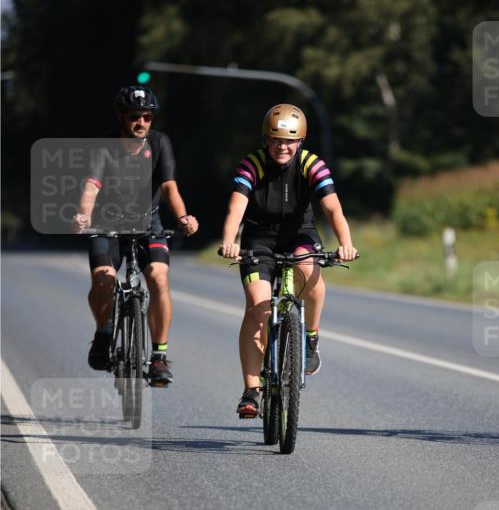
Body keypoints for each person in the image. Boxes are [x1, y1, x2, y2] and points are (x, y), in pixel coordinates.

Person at [219, 103, 357, 417]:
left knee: (308, 268)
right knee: (258, 307)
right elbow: (236, 207)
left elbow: (333, 209)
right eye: (276, 140)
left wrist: (346, 243)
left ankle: (310, 338)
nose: (282, 146)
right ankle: (251, 390)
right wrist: (230, 240)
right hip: (259, 239)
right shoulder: (251, 164)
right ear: (266, 140)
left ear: (300, 142)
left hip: (300, 234)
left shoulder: (312, 164)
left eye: (290, 141)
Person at [73, 85, 198, 386]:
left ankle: (158, 355)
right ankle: (104, 333)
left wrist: (183, 217)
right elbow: (91, 186)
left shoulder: (159, 143)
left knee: (158, 276)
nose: (141, 122)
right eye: (134, 117)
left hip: (148, 224)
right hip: (107, 224)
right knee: (104, 279)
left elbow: (169, 187)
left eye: (147, 117)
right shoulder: (104, 147)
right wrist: (84, 214)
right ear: (121, 117)